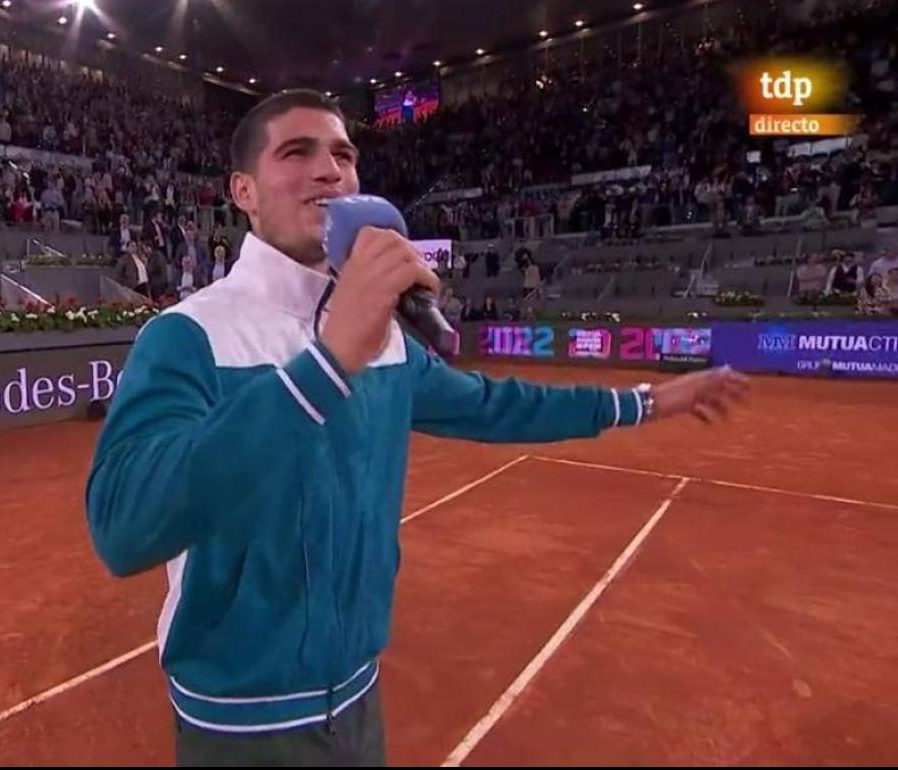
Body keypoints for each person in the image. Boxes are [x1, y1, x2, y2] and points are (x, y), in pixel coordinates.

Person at [84, 90, 749, 767]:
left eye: (344, 155)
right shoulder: (188, 335)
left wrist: (649, 401)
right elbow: (124, 526)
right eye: (298, 152)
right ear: (243, 190)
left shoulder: (389, 338)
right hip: (241, 723)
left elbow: (498, 405)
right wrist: (327, 363)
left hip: (358, 699)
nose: (329, 172)